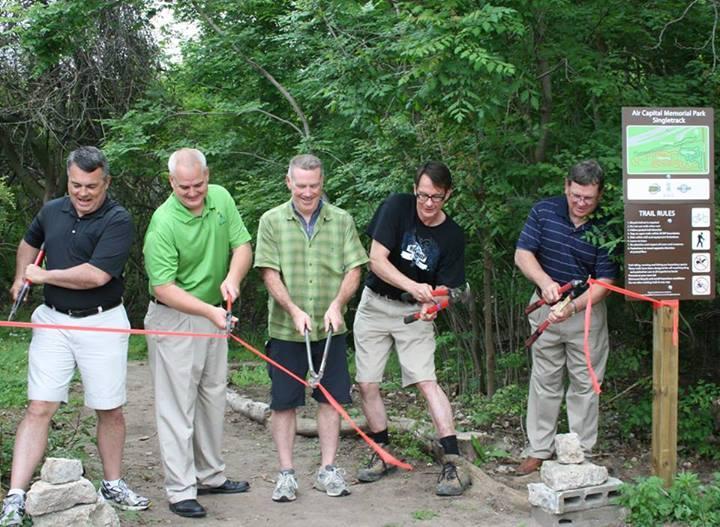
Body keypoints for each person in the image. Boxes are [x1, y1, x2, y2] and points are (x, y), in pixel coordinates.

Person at [0, 146, 150, 526]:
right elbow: (29, 243)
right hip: (53, 320)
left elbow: (96, 275)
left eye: (92, 187)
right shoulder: (53, 210)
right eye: (76, 185)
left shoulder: (118, 219)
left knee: (109, 408)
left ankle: (112, 484)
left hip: (102, 321)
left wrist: (43, 276)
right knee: (39, 406)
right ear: (68, 180)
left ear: (106, 182)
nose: (83, 193)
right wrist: (22, 275)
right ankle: (15, 496)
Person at [143, 148, 253, 519]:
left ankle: (210, 475)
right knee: (177, 406)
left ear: (208, 176)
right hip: (174, 317)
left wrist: (232, 279)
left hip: (213, 313)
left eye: (199, 184)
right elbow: (163, 287)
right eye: (184, 187)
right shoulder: (163, 223)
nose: (193, 193)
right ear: (171, 181)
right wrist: (209, 311)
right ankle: (180, 490)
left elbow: (242, 246)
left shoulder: (220, 197)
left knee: (212, 396)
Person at [254, 154, 368, 503]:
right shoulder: (271, 220)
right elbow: (268, 271)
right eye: (301, 185)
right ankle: (286, 473)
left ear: (322, 183)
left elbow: (355, 268)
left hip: (331, 329)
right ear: (289, 182)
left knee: (330, 400)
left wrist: (337, 304)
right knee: (284, 403)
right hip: (287, 331)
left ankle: (327, 469)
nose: (307, 193)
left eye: (314, 186)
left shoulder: (341, 220)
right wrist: (292, 309)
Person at [353, 161, 470, 496]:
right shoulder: (396, 206)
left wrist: (434, 305)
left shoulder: (452, 236)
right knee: (367, 382)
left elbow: (449, 290)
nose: (428, 204)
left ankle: (453, 462)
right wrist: (414, 285)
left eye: (436, 197)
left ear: (447, 194)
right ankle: (382, 453)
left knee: (427, 382)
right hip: (376, 303)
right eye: (423, 195)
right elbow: (375, 259)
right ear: (414, 190)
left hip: (414, 312)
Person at [514, 159, 618, 475]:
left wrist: (572, 307)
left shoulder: (606, 225)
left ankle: (579, 453)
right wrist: (545, 283)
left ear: (598, 195)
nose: (581, 203)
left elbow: (606, 283)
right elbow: (523, 254)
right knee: (544, 380)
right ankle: (539, 450)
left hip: (585, 312)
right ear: (566, 187)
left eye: (588, 198)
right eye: (576, 196)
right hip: (545, 305)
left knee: (586, 382)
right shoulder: (544, 211)